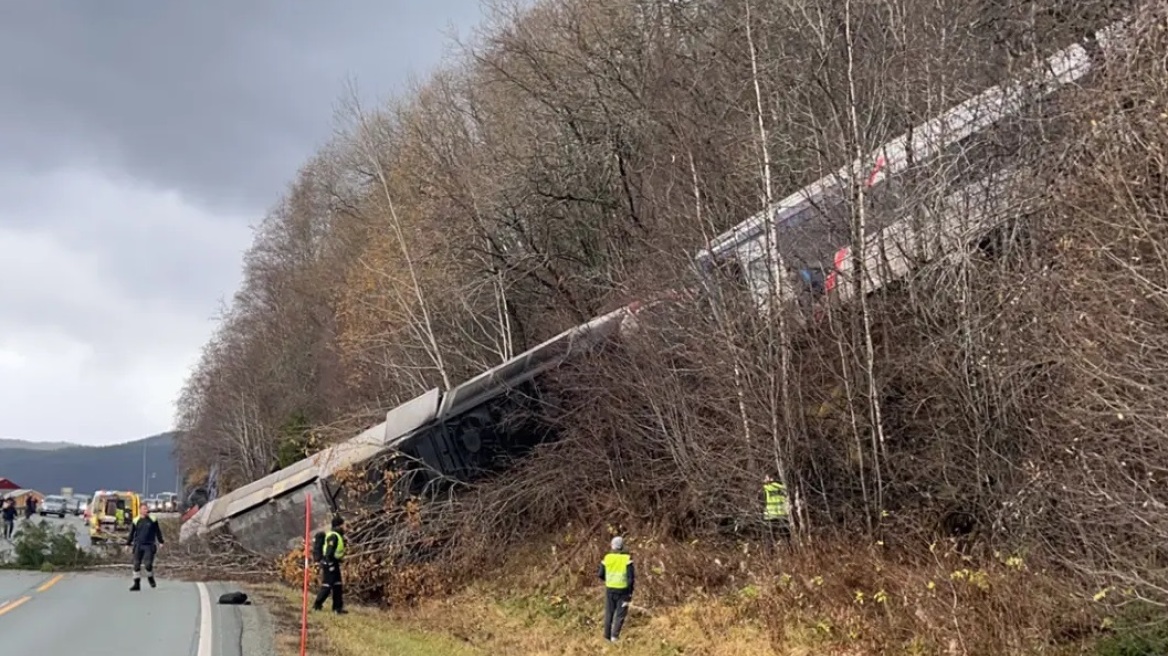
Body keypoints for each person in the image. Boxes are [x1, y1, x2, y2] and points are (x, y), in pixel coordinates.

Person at [598, 536, 635, 643]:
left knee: (609, 613)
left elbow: (600, 574)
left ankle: (606, 637)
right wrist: (630, 591)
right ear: (622, 547)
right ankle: (615, 637)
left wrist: (608, 580)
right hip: (623, 591)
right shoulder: (627, 559)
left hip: (610, 589)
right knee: (620, 614)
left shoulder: (607, 558)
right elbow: (631, 578)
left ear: (612, 546)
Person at [312, 515, 348, 614]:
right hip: (329, 564)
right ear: (339, 525)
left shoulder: (338, 535)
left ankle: (337, 608)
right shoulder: (333, 536)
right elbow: (329, 552)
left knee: (337, 585)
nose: (346, 527)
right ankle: (317, 605)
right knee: (327, 585)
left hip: (334, 563)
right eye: (344, 525)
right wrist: (330, 563)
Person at [126, 504, 164, 591]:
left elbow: (158, 531)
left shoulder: (153, 520)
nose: (146, 510)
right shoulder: (136, 520)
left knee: (148, 564)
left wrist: (161, 541)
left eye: (146, 509)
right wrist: (128, 544)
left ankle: (150, 578)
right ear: (140, 510)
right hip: (138, 545)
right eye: (144, 509)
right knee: (136, 564)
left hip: (149, 545)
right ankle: (136, 584)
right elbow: (132, 533)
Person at [762, 475, 790, 548]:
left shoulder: (767, 488)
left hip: (771, 516)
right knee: (787, 536)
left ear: (771, 478)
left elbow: (761, 500)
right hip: (783, 515)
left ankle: (770, 555)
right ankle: (791, 551)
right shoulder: (783, 488)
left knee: (770, 537)